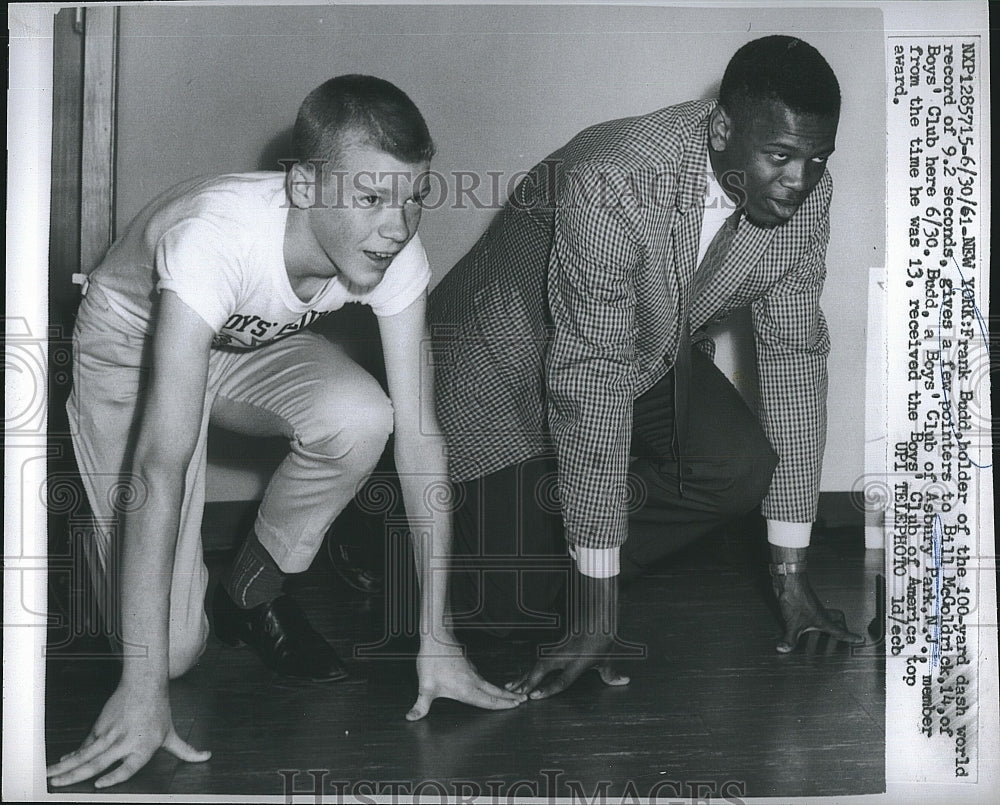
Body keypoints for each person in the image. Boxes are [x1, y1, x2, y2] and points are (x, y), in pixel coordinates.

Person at [48, 74, 524, 790]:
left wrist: (437, 635)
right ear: (303, 186)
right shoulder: (216, 237)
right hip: (131, 346)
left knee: (367, 416)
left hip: (243, 346)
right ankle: (99, 545)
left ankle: (251, 587)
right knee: (169, 652)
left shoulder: (393, 257)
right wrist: (144, 691)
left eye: (412, 197)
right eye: (370, 198)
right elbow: (160, 466)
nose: (396, 227)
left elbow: (422, 440)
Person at [428, 35, 864, 700]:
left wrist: (793, 579)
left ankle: (579, 554)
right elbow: (590, 376)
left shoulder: (806, 196)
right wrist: (601, 610)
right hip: (498, 346)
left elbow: (796, 360)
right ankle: (375, 529)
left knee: (739, 464)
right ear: (721, 129)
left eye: (816, 158)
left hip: (638, 341)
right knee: (503, 614)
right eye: (781, 156)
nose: (801, 181)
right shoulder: (616, 178)